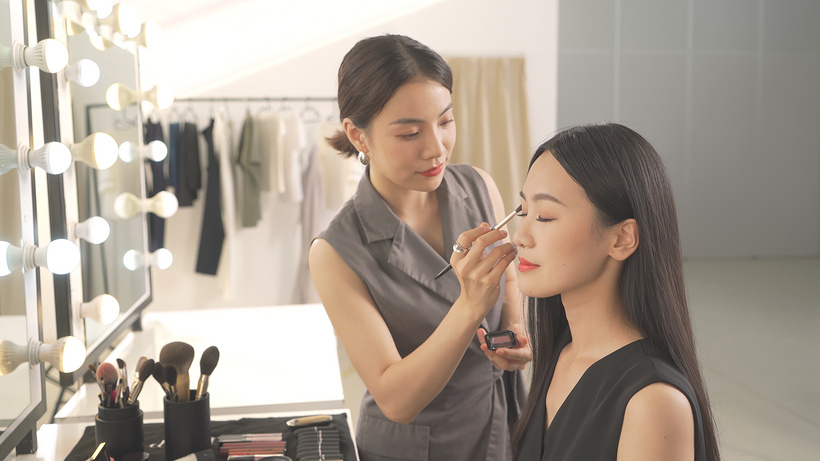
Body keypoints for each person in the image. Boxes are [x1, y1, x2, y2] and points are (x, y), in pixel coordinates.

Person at [309, 34, 531, 461]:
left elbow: (509, 281)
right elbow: (395, 400)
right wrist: (469, 306)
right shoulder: (336, 252)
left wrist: (518, 331)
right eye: (410, 133)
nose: (436, 148)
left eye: (445, 122)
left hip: (506, 425)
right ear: (358, 135)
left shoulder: (479, 186)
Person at [504, 123, 720, 460]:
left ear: (621, 239)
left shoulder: (653, 403)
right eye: (523, 212)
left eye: (545, 216)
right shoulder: (562, 354)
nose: (520, 236)